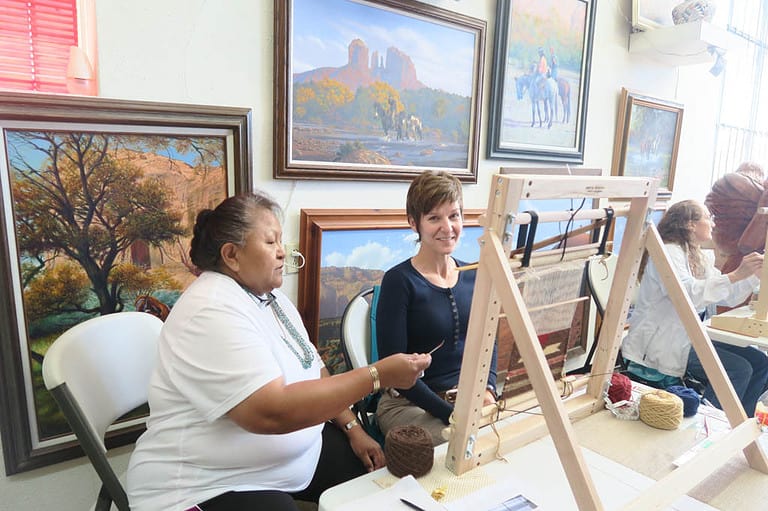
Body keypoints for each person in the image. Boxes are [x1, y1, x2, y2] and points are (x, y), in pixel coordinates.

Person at [126, 192, 431, 511]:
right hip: (208, 483)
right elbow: (271, 412)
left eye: (280, 241)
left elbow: (314, 368)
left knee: (378, 489)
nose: (282, 253)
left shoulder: (271, 299)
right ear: (232, 255)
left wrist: (352, 426)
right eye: (271, 242)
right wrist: (377, 375)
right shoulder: (211, 310)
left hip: (297, 458)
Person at [374, 170, 498, 446]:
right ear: (413, 223)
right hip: (408, 404)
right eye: (434, 218)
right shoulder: (399, 281)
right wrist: (452, 415)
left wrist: (489, 389)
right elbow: (393, 371)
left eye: (454, 215)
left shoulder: (473, 273)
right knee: (462, 444)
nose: (447, 227)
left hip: (466, 401)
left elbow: (491, 340)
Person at [622, 200, 768, 416]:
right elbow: (687, 294)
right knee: (738, 369)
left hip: (688, 335)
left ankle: (738, 424)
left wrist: (752, 276)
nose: (713, 224)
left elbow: (727, 295)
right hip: (665, 342)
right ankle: (712, 424)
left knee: (761, 362)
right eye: (709, 218)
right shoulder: (669, 253)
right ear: (690, 224)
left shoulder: (698, 255)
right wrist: (738, 274)